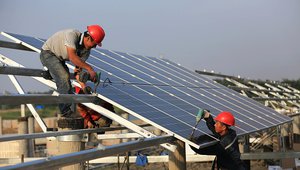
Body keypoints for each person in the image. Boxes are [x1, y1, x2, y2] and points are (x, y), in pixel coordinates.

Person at [40, 25, 105, 117]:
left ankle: (50, 72)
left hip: (60, 59)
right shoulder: (72, 35)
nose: (95, 47)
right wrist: (90, 69)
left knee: (66, 81)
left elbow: (77, 70)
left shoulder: (86, 51)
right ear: (88, 38)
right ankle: (65, 112)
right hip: (48, 54)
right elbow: (72, 57)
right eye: (94, 44)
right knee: (63, 77)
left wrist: (83, 86)